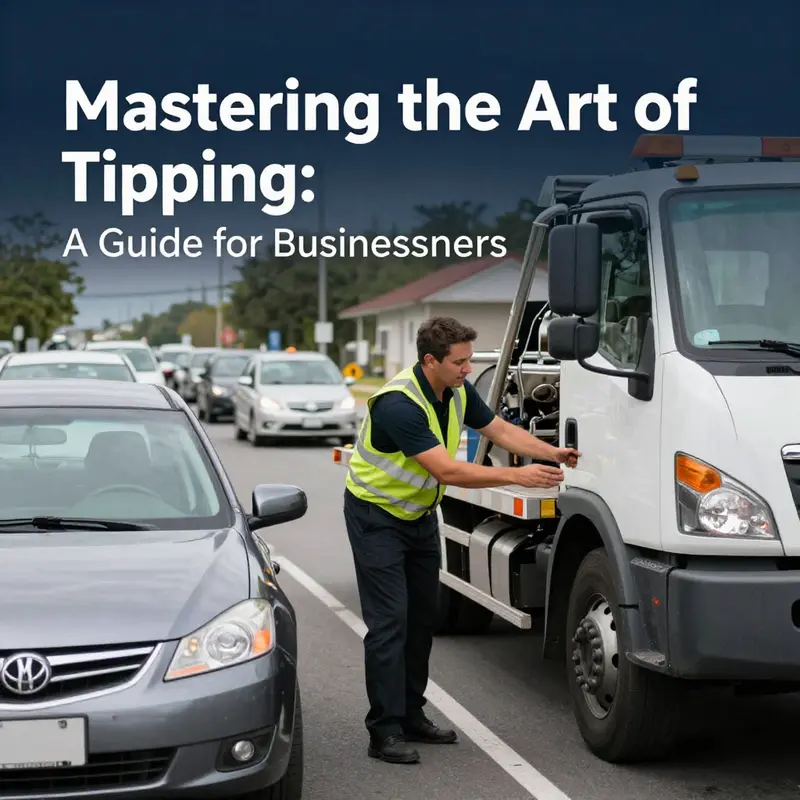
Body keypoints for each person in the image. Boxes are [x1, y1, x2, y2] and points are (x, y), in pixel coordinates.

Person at [343, 316, 580, 765]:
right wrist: (517, 475)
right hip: (377, 517)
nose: (469, 369)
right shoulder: (399, 405)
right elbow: (448, 471)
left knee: (422, 619)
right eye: (460, 362)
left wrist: (550, 452)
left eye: (470, 360)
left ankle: (411, 714)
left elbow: (497, 429)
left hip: (417, 515)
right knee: (390, 623)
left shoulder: (453, 390)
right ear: (430, 360)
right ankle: (385, 730)